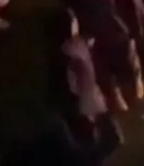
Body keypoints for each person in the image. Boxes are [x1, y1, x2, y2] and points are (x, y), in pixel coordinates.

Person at [62, 0, 144, 112]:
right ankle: (115, 93)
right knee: (103, 67)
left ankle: (135, 77)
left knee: (128, 58)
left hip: (116, 27)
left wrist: (134, 26)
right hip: (94, 31)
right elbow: (68, 4)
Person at [48, 9, 122, 156]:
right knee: (96, 135)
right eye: (72, 21)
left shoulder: (76, 44)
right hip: (85, 101)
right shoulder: (66, 53)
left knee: (108, 131)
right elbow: (72, 83)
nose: (75, 23)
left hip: (91, 95)